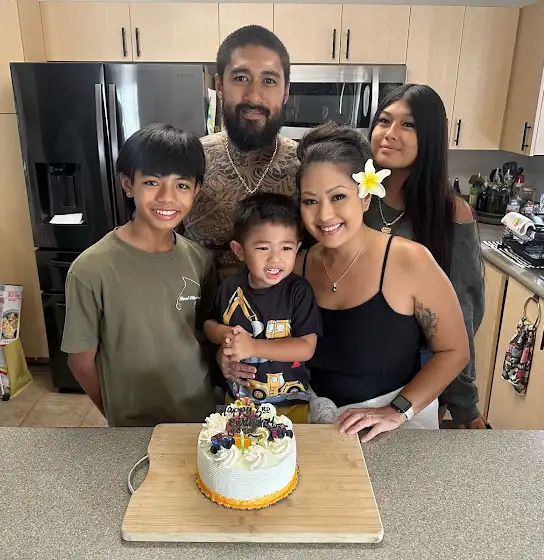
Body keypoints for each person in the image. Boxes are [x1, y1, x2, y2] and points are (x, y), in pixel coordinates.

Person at [298, 123, 470, 440]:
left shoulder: (409, 261)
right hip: (317, 428)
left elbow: (454, 351)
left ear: (365, 197)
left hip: (395, 428)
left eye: (338, 196)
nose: (324, 215)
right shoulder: (298, 266)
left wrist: (396, 411)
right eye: (310, 201)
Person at [61, 124, 216, 427]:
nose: (167, 197)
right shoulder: (90, 269)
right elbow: (80, 360)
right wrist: (114, 412)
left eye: (182, 185)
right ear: (128, 184)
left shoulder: (200, 260)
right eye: (152, 182)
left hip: (197, 417)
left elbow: (205, 337)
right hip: (132, 424)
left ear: (196, 190)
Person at [363, 84, 486, 429]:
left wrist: (464, 403)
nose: (390, 133)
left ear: (430, 137)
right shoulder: (352, 199)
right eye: (384, 121)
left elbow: (461, 314)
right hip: (342, 376)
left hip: (413, 385)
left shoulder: (449, 214)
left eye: (408, 125)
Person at [184, 25, 299, 281]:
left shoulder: (307, 167)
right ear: (219, 85)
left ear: (286, 91)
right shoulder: (190, 160)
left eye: (269, 80)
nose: (254, 96)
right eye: (240, 78)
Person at [204, 193, 322, 423]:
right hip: (239, 399)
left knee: (289, 445)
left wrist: (253, 347)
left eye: (286, 248)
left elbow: (306, 348)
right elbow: (209, 323)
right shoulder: (230, 288)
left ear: (297, 248)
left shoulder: (298, 291)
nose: (275, 259)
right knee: (237, 444)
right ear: (239, 250)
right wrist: (225, 334)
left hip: (290, 401)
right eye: (263, 248)